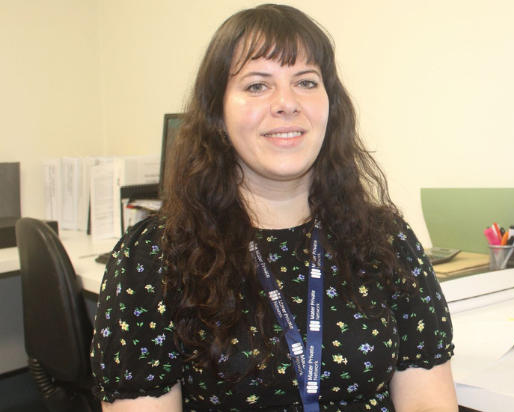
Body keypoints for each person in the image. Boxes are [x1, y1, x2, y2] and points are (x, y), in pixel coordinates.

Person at [90, 4, 458, 411]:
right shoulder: (154, 258)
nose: (287, 103)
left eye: (305, 81)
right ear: (217, 114)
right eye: (257, 86)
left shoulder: (386, 241)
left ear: (330, 105)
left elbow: (428, 399)